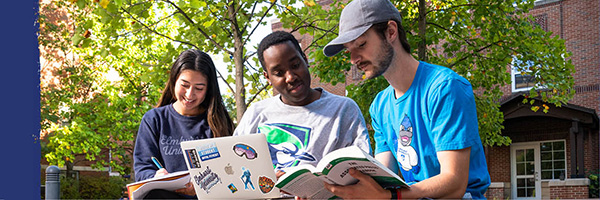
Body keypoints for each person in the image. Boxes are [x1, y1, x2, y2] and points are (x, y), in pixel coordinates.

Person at [321, 0, 491, 199]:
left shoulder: (444, 88)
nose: (354, 59)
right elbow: (381, 175)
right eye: (349, 50)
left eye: (361, 44)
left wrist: (392, 196)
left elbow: (454, 183)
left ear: (391, 32)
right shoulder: (380, 105)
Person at [234, 31, 370, 181]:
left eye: (295, 65)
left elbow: (364, 174)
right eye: (279, 73)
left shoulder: (343, 109)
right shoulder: (256, 114)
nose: (291, 77)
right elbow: (235, 169)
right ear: (268, 77)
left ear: (305, 60)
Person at [132, 49, 235, 199]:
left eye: (199, 88)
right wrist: (155, 176)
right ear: (174, 81)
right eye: (185, 85)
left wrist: (203, 185)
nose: (189, 94)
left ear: (208, 89)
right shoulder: (154, 119)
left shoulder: (218, 122)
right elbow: (142, 169)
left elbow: (230, 171)